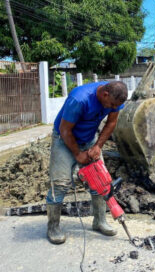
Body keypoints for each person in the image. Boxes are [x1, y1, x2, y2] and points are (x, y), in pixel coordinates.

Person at [46, 80, 128, 244]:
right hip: (64, 140)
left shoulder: (115, 98)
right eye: (111, 104)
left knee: (100, 183)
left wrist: (98, 146)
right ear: (105, 94)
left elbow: (111, 123)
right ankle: (53, 227)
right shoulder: (79, 99)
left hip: (90, 139)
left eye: (115, 106)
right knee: (60, 183)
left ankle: (99, 221)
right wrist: (77, 154)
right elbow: (64, 129)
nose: (113, 108)